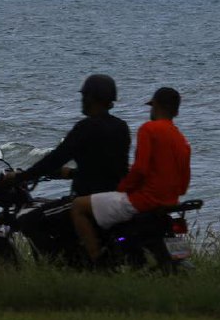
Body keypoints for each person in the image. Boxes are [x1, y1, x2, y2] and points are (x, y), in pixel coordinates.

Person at [70, 86, 190, 263]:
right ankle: (176, 259)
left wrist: (123, 187)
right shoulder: (182, 140)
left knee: (78, 206)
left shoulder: (149, 129)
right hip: (170, 203)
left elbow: (140, 169)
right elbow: (183, 186)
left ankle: (97, 260)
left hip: (143, 202)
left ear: (155, 105)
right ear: (176, 111)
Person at [1, 74, 131, 197]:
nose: (82, 100)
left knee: (35, 214)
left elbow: (55, 160)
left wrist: (21, 177)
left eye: (84, 96)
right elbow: (106, 169)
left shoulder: (85, 127)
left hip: (87, 197)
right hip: (116, 196)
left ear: (90, 98)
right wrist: (71, 173)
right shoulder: (121, 126)